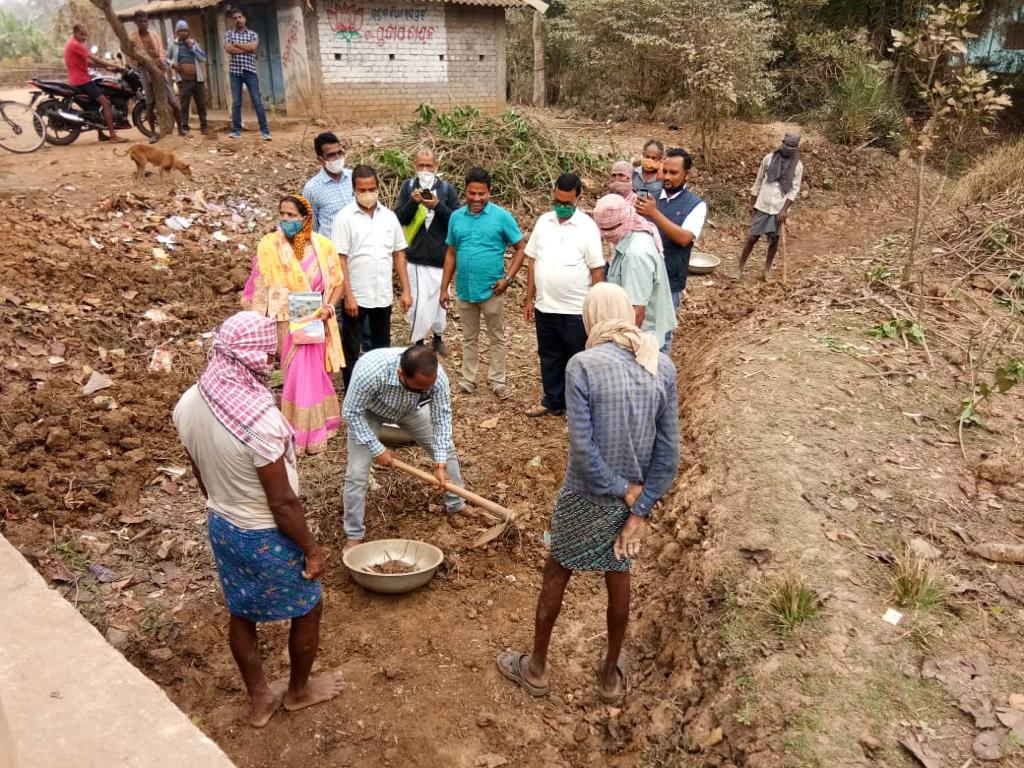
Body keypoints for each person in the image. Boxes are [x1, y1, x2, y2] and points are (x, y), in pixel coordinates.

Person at [496, 282, 679, 705]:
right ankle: (610, 677)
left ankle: (537, 668)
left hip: (585, 495)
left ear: (590, 318)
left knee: (557, 572)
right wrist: (641, 504)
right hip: (632, 501)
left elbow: (583, 449)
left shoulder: (582, 366)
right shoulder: (661, 365)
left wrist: (621, 490)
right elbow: (669, 453)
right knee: (619, 578)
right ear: (628, 314)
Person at [172, 311, 343, 728]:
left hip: (224, 525)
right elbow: (283, 503)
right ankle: (299, 691)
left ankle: (260, 699)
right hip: (265, 531)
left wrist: (223, 501)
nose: (269, 362)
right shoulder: (259, 423)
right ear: (250, 358)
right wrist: (311, 550)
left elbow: (199, 472)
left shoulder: (189, 401)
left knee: (242, 612)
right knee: (308, 606)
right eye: (266, 354)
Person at [242, 194, 345, 455]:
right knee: (294, 373)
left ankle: (316, 429)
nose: (286, 220)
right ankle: (296, 433)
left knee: (314, 372)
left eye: (291, 215)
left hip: (316, 320)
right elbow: (259, 284)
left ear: (305, 219)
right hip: (286, 323)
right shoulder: (269, 246)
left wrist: (330, 307)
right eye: (283, 214)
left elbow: (338, 282)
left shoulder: (323, 247)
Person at [341, 345, 466, 550]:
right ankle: (354, 534)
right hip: (368, 413)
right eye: (419, 388)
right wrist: (377, 449)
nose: (426, 391)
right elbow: (351, 413)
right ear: (401, 374)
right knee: (356, 473)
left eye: (428, 388)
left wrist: (440, 463)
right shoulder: (370, 371)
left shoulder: (437, 378)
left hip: (410, 410)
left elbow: (442, 418)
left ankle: (456, 503)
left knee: (447, 450)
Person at [440, 167, 526, 399]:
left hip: (492, 290)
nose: (476, 199)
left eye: (482, 194)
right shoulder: (457, 217)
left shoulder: (501, 217)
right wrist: (444, 287)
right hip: (465, 289)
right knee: (468, 337)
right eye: (472, 193)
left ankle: (498, 380)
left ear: (489, 192)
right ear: (465, 192)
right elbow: (451, 253)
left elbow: (521, 247)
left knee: (496, 336)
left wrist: (508, 279)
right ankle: (468, 380)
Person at [523, 172, 604, 418]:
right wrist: (529, 298)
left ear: (578, 199)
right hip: (545, 306)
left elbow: (597, 269)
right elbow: (533, 261)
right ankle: (553, 400)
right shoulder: (544, 222)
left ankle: (577, 406)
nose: (561, 207)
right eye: (557, 201)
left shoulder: (587, 228)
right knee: (549, 355)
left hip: (575, 310)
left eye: (567, 203)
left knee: (577, 358)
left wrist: (593, 307)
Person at [332, 164, 412, 390]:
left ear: (378, 187)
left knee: (382, 348)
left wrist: (405, 290)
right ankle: (352, 392)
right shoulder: (344, 218)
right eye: (362, 190)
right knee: (352, 349)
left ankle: (380, 389)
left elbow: (398, 254)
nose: (368, 194)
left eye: (371, 189)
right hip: (356, 295)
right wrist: (348, 296)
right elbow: (341, 260)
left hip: (382, 294)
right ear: (354, 190)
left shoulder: (389, 217)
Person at [634, 147, 706, 351]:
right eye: (664, 171)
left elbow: (684, 238)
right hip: (640, 276)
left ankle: (659, 380)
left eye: (673, 173)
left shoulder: (696, 205)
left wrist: (654, 214)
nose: (666, 177)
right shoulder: (649, 196)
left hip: (669, 280)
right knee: (635, 331)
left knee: (661, 336)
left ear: (686, 174)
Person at [394, 147, 461, 356]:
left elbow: (457, 221)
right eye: (421, 166)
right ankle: (419, 342)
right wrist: (413, 203)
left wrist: (438, 206)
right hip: (415, 258)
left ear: (436, 166)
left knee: (440, 303)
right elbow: (400, 218)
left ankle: (438, 337)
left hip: (440, 258)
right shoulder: (408, 187)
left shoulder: (446, 190)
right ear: (415, 166)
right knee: (418, 304)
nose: (425, 169)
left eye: (428, 166)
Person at [594, 194, 676, 345]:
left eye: (609, 229)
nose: (605, 235)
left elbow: (636, 312)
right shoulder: (630, 235)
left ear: (623, 222)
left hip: (641, 340)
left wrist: (621, 350)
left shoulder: (635, 254)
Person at [738, 131, 804, 282]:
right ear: (782, 143)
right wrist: (751, 202)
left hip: (778, 209)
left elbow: (794, 189)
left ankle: (766, 270)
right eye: (785, 145)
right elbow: (759, 181)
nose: (787, 148)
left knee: (774, 241)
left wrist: (785, 209)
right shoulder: (768, 159)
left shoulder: (797, 166)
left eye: (791, 147)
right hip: (762, 205)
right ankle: (739, 268)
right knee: (752, 237)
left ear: (796, 148)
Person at [64, 24, 126, 143]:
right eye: (81, 35)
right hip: (83, 81)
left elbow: (89, 62)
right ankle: (113, 135)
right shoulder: (76, 45)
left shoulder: (71, 44)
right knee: (106, 103)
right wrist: (115, 65)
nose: (84, 37)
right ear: (75, 33)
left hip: (76, 80)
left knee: (94, 106)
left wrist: (108, 68)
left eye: (85, 35)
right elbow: (95, 59)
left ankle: (101, 134)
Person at [129, 10, 182, 139]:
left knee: (174, 103)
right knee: (149, 103)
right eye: (140, 21)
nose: (143, 23)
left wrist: (165, 63)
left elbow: (161, 53)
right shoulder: (133, 38)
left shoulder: (154, 35)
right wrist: (142, 62)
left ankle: (181, 129)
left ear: (148, 21)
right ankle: (153, 133)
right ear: (136, 22)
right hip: (145, 72)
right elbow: (132, 57)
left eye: (145, 21)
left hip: (159, 71)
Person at [224, 8, 271, 140]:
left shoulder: (253, 34)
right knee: (236, 102)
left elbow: (252, 47)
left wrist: (237, 45)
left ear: (245, 18)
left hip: (250, 71)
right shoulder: (229, 34)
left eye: (240, 17)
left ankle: (265, 131)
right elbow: (228, 49)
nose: (237, 20)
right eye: (235, 18)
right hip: (235, 73)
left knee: (257, 102)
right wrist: (245, 48)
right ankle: (236, 131)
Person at [303, 132, 354, 238]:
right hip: (333, 250)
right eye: (331, 155)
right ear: (320, 160)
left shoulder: (354, 177)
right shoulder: (312, 189)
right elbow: (312, 227)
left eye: (339, 153)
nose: (337, 158)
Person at [166, 20, 209, 137]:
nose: (183, 33)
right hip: (183, 80)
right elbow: (166, 58)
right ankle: (185, 127)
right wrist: (173, 65)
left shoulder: (194, 43)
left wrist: (192, 48)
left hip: (197, 79)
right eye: (180, 31)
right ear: (176, 32)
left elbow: (203, 58)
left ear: (188, 31)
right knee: (184, 105)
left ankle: (204, 126)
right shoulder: (173, 44)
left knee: (201, 104)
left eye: (185, 30)